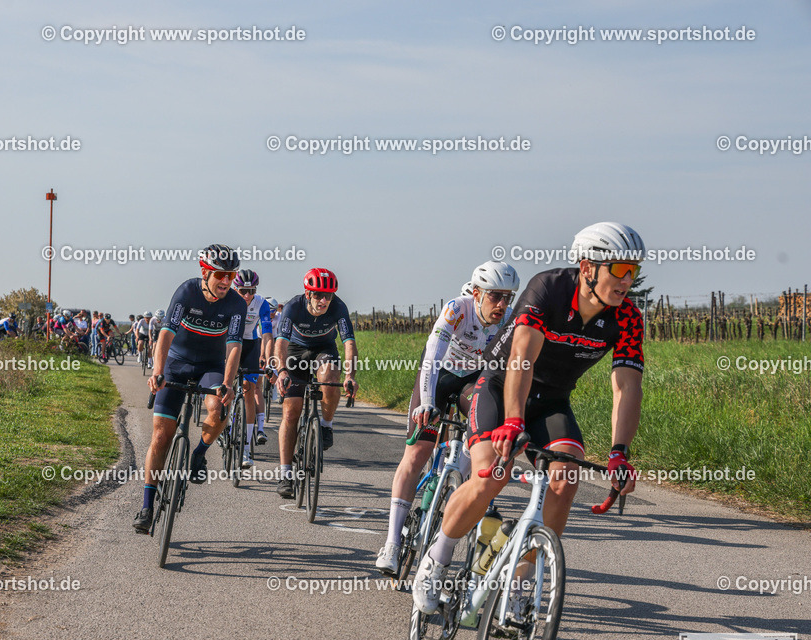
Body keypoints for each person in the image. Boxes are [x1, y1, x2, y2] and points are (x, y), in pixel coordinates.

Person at [413, 222, 645, 615]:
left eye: (634, 271)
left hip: (552, 401)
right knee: (491, 473)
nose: (628, 280)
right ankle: (437, 558)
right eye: (620, 269)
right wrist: (513, 422)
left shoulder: (628, 319)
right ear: (588, 268)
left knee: (565, 478)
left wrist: (619, 452)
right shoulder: (550, 288)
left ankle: (519, 584)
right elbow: (521, 357)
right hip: (499, 387)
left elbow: (626, 387)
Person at [375, 261, 520, 576]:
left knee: (482, 440)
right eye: (496, 296)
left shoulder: (509, 319)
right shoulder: (457, 309)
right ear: (478, 293)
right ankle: (391, 543)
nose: (502, 304)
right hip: (440, 377)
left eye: (508, 297)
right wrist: (427, 402)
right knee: (417, 453)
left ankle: (454, 487)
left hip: (473, 382)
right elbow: (431, 358)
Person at [133, 245, 247, 533]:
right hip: (177, 363)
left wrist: (227, 384)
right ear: (205, 271)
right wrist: (158, 372)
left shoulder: (236, 304)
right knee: (161, 436)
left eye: (231, 275)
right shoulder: (186, 292)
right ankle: (147, 505)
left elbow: (234, 346)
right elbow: (166, 333)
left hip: (211, 365)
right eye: (220, 274)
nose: (226, 281)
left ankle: (198, 453)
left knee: (219, 409)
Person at [271, 268, 358, 499]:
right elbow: (280, 343)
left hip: (323, 349)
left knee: (330, 379)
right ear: (308, 294)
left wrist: (350, 376)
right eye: (318, 295)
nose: (324, 300)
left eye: (328, 295)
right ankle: (286, 474)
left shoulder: (339, 307)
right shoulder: (293, 307)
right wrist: (281, 371)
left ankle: (326, 425)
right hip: (295, 351)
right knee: (291, 412)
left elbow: (349, 344)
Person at [233, 270, 274, 467]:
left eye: (251, 291)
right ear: (236, 289)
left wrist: (265, 355)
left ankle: (246, 449)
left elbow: (266, 334)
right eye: (243, 291)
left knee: (249, 391)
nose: (247, 296)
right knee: (224, 384)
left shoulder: (261, 304)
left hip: (250, 344)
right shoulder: (229, 300)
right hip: (230, 343)